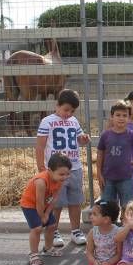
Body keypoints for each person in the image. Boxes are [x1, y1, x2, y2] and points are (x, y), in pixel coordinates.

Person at [35, 89, 90, 248]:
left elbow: (78, 140)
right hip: (56, 171)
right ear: (56, 105)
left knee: (75, 200)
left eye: (72, 111)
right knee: (56, 203)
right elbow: (40, 146)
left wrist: (84, 139)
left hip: (75, 167)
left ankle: (76, 231)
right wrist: (41, 167)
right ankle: (55, 231)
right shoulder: (47, 121)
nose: (68, 113)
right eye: (66, 109)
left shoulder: (74, 121)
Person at [20, 154, 72, 265]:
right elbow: (39, 202)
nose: (64, 177)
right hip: (30, 205)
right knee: (37, 228)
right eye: (61, 174)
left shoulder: (60, 180)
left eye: (67, 174)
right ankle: (33, 253)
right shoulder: (41, 182)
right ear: (50, 171)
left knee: (52, 225)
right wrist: (42, 216)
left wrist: (47, 213)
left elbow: (54, 199)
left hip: (45, 205)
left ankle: (47, 248)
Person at [62, 200, 121, 265]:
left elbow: (119, 254)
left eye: (94, 214)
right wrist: (94, 262)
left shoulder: (117, 232)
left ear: (106, 219)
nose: (91, 217)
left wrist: (109, 262)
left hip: (111, 263)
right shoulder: (92, 232)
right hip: (96, 262)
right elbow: (89, 252)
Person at [96, 100, 133, 210]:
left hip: (126, 178)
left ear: (128, 118)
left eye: (125, 115)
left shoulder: (131, 135)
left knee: (127, 205)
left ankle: (125, 225)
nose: (121, 118)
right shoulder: (106, 135)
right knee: (107, 206)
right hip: (108, 177)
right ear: (111, 117)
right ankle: (110, 225)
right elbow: (100, 153)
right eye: (118, 115)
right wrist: (99, 173)